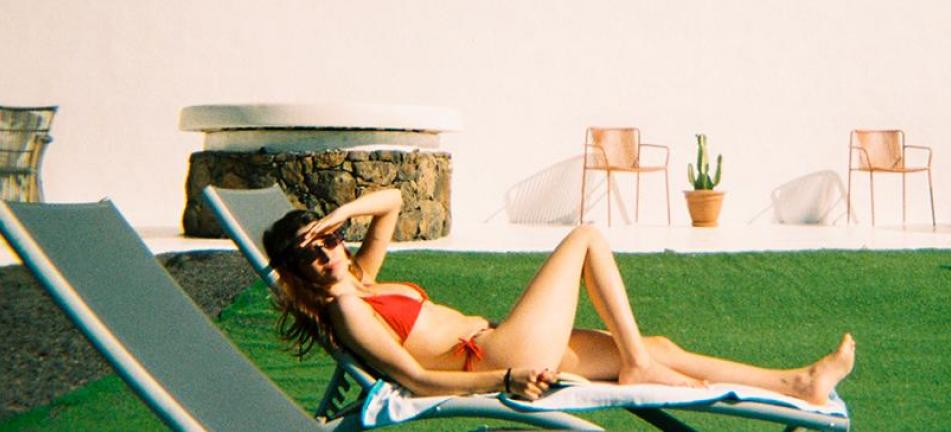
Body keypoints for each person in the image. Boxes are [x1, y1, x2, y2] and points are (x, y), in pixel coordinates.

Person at [263, 188, 855, 403]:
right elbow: (416, 379)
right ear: (295, 272)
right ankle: (638, 364)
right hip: (496, 357)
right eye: (312, 252)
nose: (328, 252)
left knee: (659, 345)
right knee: (585, 238)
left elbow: (391, 201)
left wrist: (341, 213)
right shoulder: (347, 309)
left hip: (499, 341)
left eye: (330, 239)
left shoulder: (360, 278)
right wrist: (506, 379)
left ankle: (797, 383)